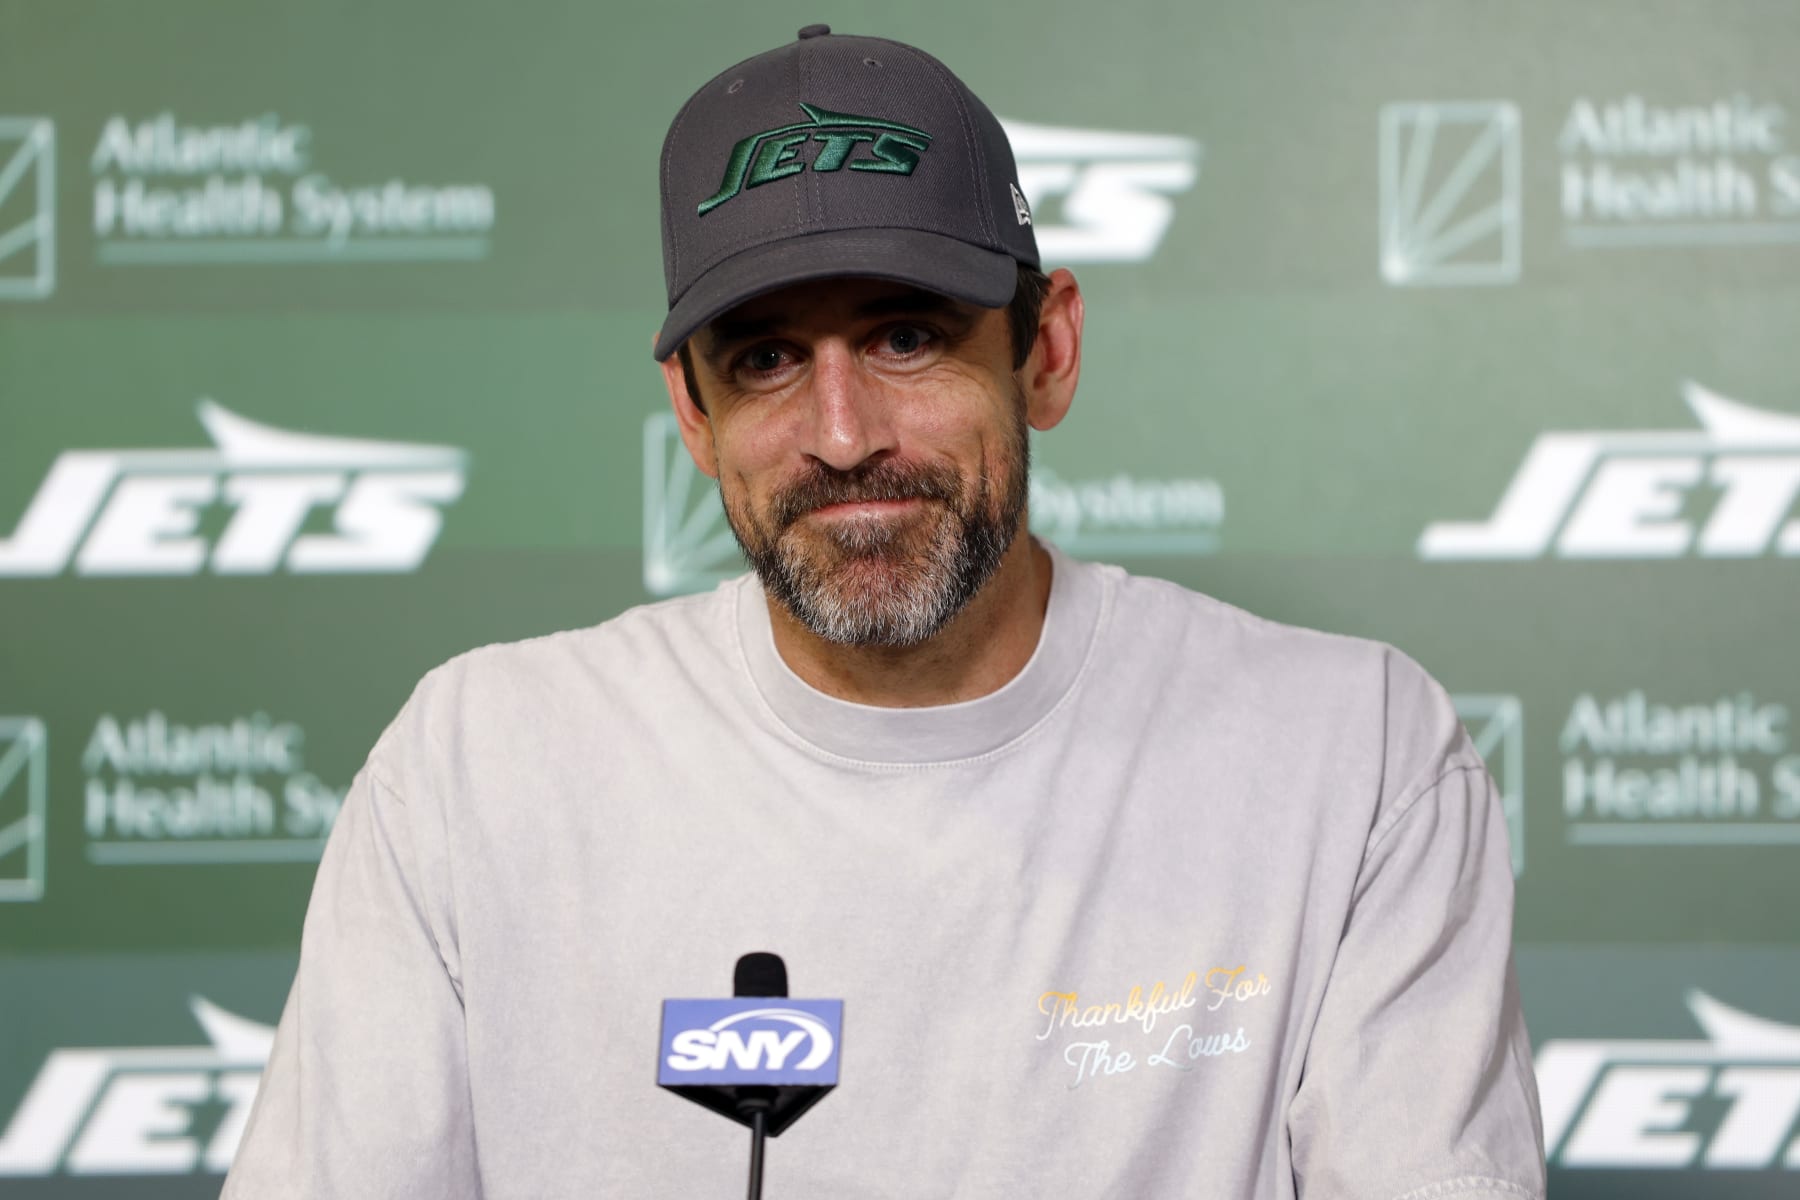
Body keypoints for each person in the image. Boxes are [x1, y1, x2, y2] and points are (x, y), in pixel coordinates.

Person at [224, 26, 1546, 1199]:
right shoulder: (476, 771)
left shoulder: (1353, 757)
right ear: (693, 411)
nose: (844, 437)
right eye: (766, 360)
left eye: (906, 337)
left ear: (1046, 350)